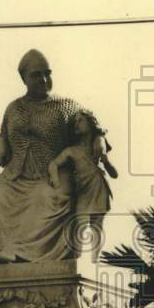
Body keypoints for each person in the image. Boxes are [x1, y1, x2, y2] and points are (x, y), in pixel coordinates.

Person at [0, 49, 81, 262]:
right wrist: (0, 141)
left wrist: (100, 136)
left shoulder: (65, 105)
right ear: (24, 79)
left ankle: (28, 256)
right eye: (36, 75)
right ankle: (4, 253)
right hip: (16, 175)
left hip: (51, 175)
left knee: (43, 197)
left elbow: (88, 123)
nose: (44, 80)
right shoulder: (14, 108)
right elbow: (3, 132)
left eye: (47, 73)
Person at [48, 110, 117, 259]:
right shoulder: (72, 151)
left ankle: (94, 261)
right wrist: (55, 179)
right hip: (83, 191)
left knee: (97, 228)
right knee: (81, 225)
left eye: (81, 121)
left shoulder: (98, 145)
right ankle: (78, 259)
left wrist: (105, 160)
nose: (76, 125)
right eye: (75, 122)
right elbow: (53, 164)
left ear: (91, 124)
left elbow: (114, 174)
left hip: (99, 187)